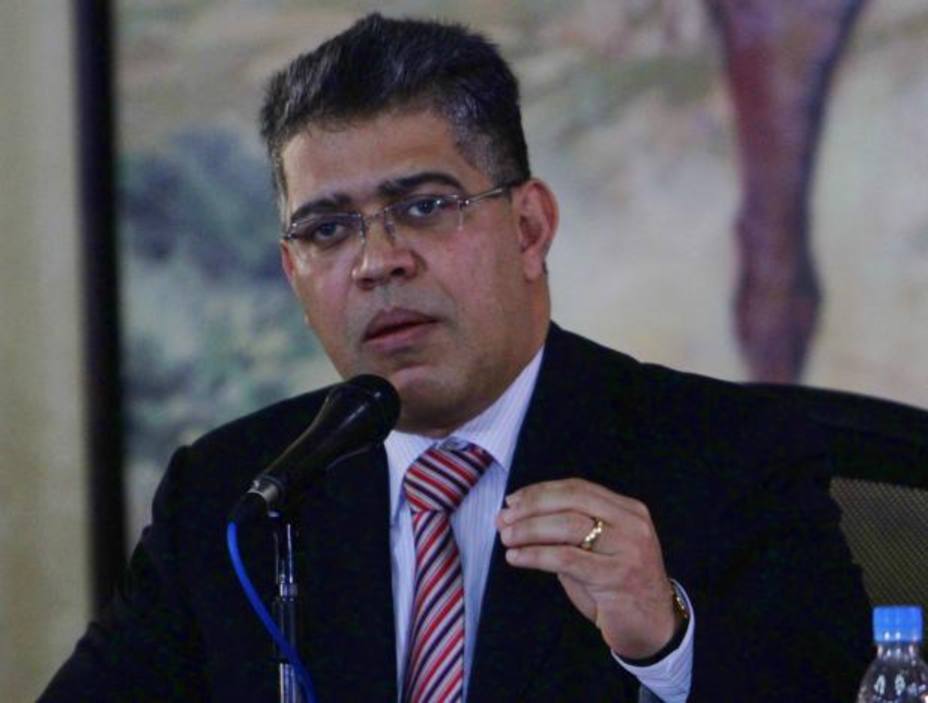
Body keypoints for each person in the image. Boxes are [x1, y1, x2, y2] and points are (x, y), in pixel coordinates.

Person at [43, 13, 871, 702]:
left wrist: (666, 637)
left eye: (424, 206)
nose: (377, 262)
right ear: (294, 273)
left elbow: (833, 686)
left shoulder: (728, 452)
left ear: (529, 229)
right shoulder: (231, 496)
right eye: (327, 229)